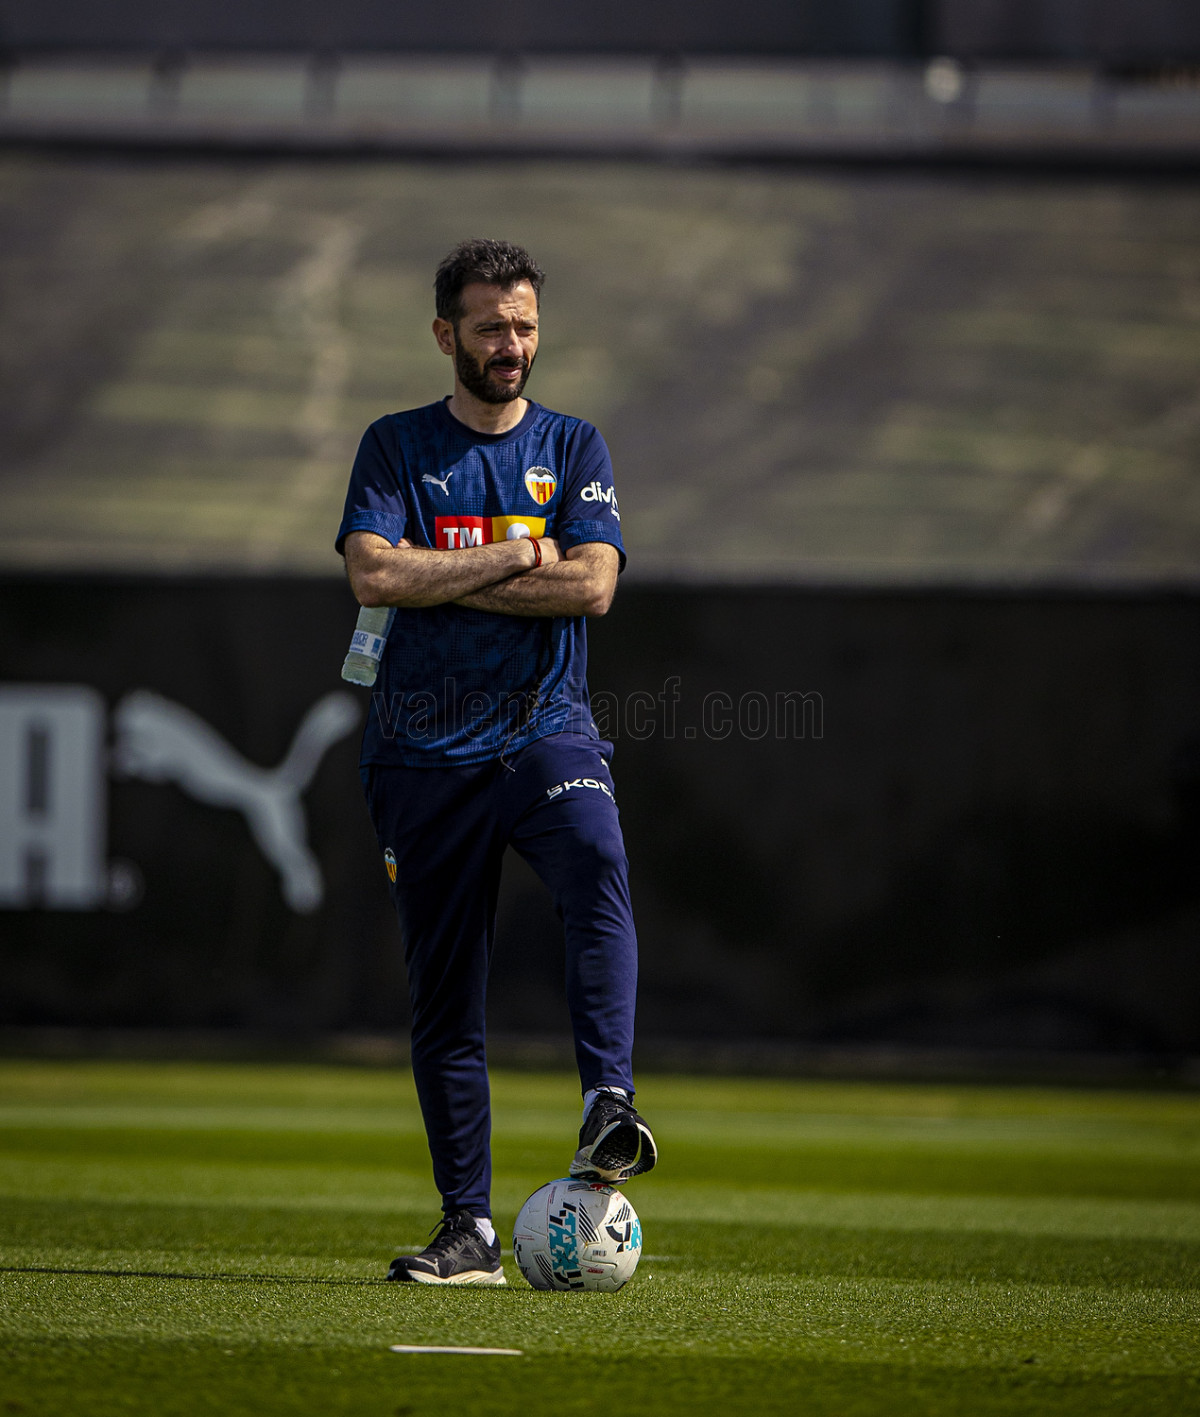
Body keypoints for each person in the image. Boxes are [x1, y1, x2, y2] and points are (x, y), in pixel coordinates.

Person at [335, 238, 656, 1286]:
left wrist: (441, 572)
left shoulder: (573, 444)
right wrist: (517, 552)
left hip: (542, 729)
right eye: (489, 327)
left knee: (596, 858)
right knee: (445, 993)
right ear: (446, 335)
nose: (510, 344)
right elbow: (373, 574)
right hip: (420, 751)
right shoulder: (396, 445)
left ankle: (609, 1102)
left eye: (523, 326)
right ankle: (467, 1228)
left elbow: (593, 587)